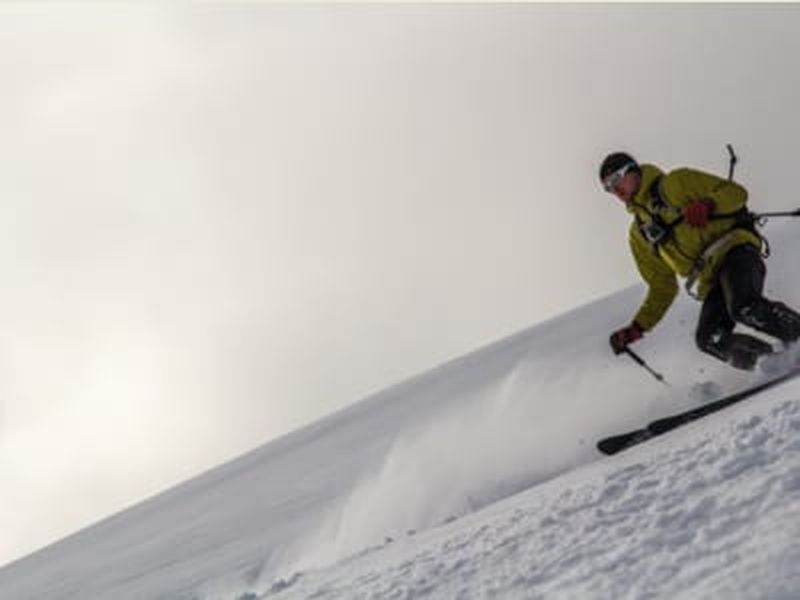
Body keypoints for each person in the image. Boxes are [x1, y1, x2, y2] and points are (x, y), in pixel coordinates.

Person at [600, 151, 800, 370]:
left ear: (633, 171)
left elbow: (736, 193)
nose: (615, 190)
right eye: (608, 187)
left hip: (735, 251)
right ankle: (772, 362)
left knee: (744, 307)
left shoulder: (675, 183)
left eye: (616, 179)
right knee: (709, 339)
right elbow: (662, 287)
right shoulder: (639, 234)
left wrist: (708, 204)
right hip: (711, 278)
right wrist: (637, 327)